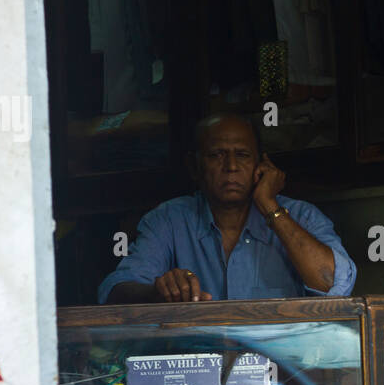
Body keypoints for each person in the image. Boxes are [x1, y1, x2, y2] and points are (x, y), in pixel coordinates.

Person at [98, 114, 355, 303]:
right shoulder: (169, 219)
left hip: (284, 370)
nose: (231, 166)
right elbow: (114, 291)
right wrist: (158, 291)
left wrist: (269, 206)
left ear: (261, 164)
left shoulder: (301, 216)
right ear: (194, 167)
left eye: (242, 155)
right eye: (216, 155)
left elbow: (335, 286)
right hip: (199, 371)